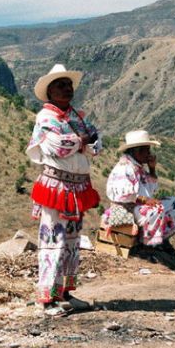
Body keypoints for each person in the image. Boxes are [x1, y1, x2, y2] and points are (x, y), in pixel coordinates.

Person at [26, 64, 102, 314]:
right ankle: (47, 298)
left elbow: (96, 142)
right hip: (57, 187)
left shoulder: (75, 116)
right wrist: (83, 141)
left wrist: (82, 141)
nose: (67, 89)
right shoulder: (46, 118)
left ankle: (65, 292)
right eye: (61, 85)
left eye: (69, 85)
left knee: (71, 241)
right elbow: (57, 146)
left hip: (75, 187)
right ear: (50, 91)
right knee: (53, 240)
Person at [102, 130, 175, 253]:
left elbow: (151, 189)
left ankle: (158, 237)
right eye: (147, 150)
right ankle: (148, 244)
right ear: (137, 151)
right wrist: (145, 200)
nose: (149, 154)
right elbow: (123, 194)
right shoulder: (125, 167)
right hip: (128, 208)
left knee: (174, 202)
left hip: (139, 206)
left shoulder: (137, 166)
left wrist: (152, 168)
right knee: (157, 209)